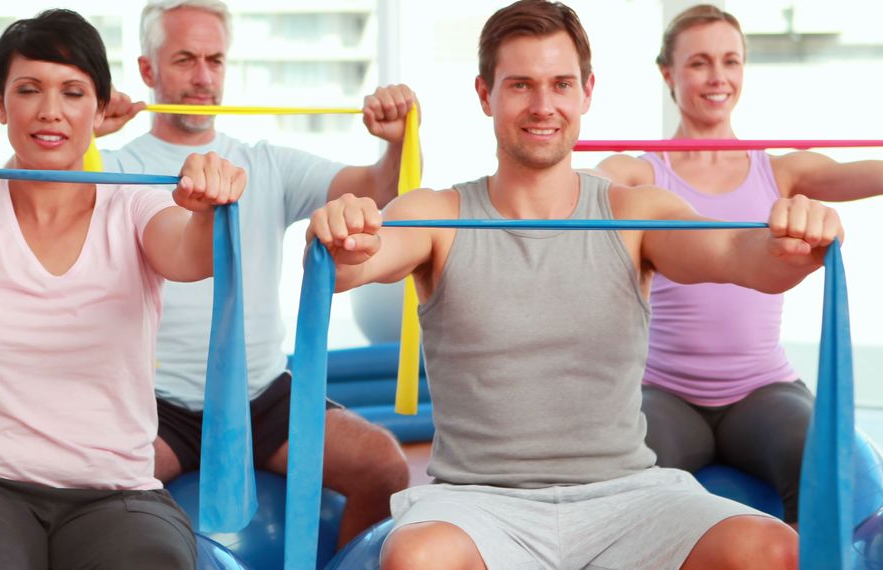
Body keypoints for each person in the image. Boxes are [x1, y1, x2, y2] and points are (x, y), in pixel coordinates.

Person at [305, 1, 842, 567]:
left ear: (587, 91)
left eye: (561, 83)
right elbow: (352, 266)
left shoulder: (637, 212)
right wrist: (342, 240)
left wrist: (793, 244)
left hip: (626, 495)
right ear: (485, 95)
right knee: (416, 557)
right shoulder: (436, 212)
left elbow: (740, 254)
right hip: (478, 503)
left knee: (774, 550)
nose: (543, 106)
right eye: (520, 85)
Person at [0, 9, 245, 569]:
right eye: (29, 90)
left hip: (116, 491)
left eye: (73, 92)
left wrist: (207, 212)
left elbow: (190, 254)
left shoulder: (135, 205)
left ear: (100, 110)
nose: (50, 111)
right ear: (1, 104)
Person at [97, 0, 412, 544]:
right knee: (89, 496)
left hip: (263, 398)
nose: (202, 78)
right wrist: (83, 141)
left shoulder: (265, 161)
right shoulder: (114, 168)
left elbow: (375, 189)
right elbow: (35, 209)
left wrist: (397, 145)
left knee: (383, 466)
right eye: (184, 60)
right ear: (148, 70)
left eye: (215, 61)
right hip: (155, 404)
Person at [596, 4, 883, 527]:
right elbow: (589, 178)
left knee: (821, 464)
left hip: (763, 390)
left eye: (731, 61)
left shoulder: (780, 170)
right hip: (664, 392)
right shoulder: (641, 173)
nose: (718, 76)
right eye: (700, 62)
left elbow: (867, 173)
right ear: (668, 73)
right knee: (618, 481)